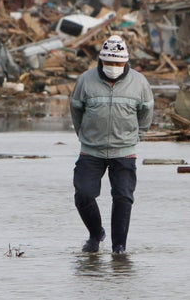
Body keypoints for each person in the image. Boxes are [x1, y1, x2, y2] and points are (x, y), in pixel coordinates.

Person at [69, 34, 154, 254]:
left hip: (124, 151)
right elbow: (76, 110)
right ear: (101, 61)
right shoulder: (85, 81)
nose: (113, 67)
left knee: (123, 198)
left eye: (117, 63)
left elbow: (146, 112)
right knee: (84, 194)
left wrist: (137, 137)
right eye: (109, 63)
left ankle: (119, 248)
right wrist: (84, 135)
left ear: (125, 61)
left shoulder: (139, 82)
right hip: (91, 150)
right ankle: (96, 235)